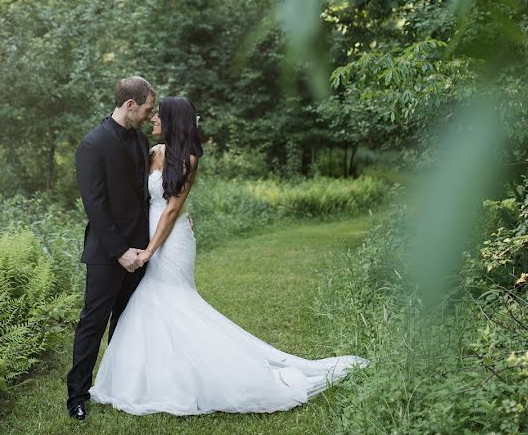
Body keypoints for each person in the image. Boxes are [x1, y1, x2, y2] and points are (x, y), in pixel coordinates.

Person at [88, 95, 368, 416]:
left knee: (174, 301)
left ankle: (201, 377)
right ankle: (156, 378)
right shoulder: (151, 152)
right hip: (146, 231)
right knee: (151, 302)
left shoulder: (188, 158)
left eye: (158, 116)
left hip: (172, 239)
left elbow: (172, 210)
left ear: (171, 120)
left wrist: (151, 250)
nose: (152, 119)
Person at [65, 76, 156, 421]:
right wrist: (120, 251)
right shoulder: (92, 144)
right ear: (130, 104)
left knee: (128, 321)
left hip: (141, 250)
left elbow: (147, 196)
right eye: (146, 109)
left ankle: (120, 385)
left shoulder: (141, 139)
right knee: (93, 322)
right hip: (107, 253)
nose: (149, 116)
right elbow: (96, 205)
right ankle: (77, 395)